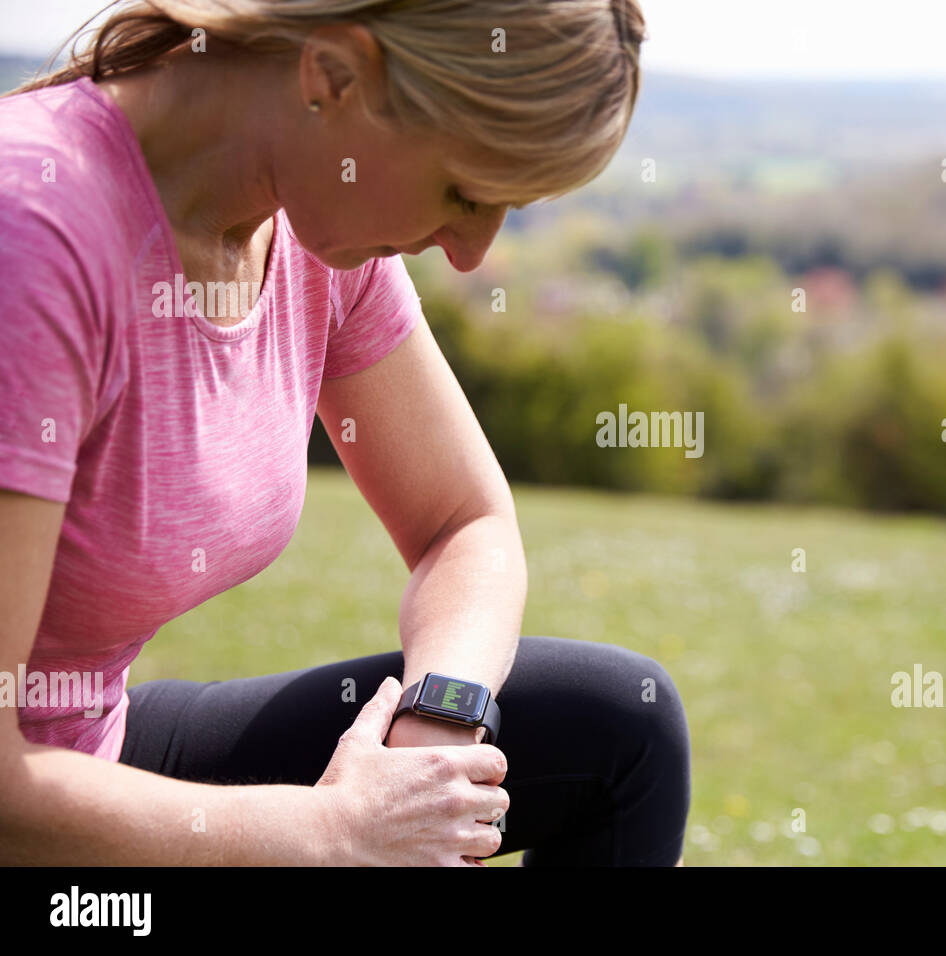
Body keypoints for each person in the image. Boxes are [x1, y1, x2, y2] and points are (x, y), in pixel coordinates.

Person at [0, 0, 690, 866]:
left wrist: (436, 722)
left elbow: (464, 523)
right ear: (333, 76)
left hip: (97, 756)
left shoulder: (306, 237)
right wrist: (332, 835)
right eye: (465, 193)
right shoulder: (32, 229)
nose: (473, 251)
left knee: (621, 728)